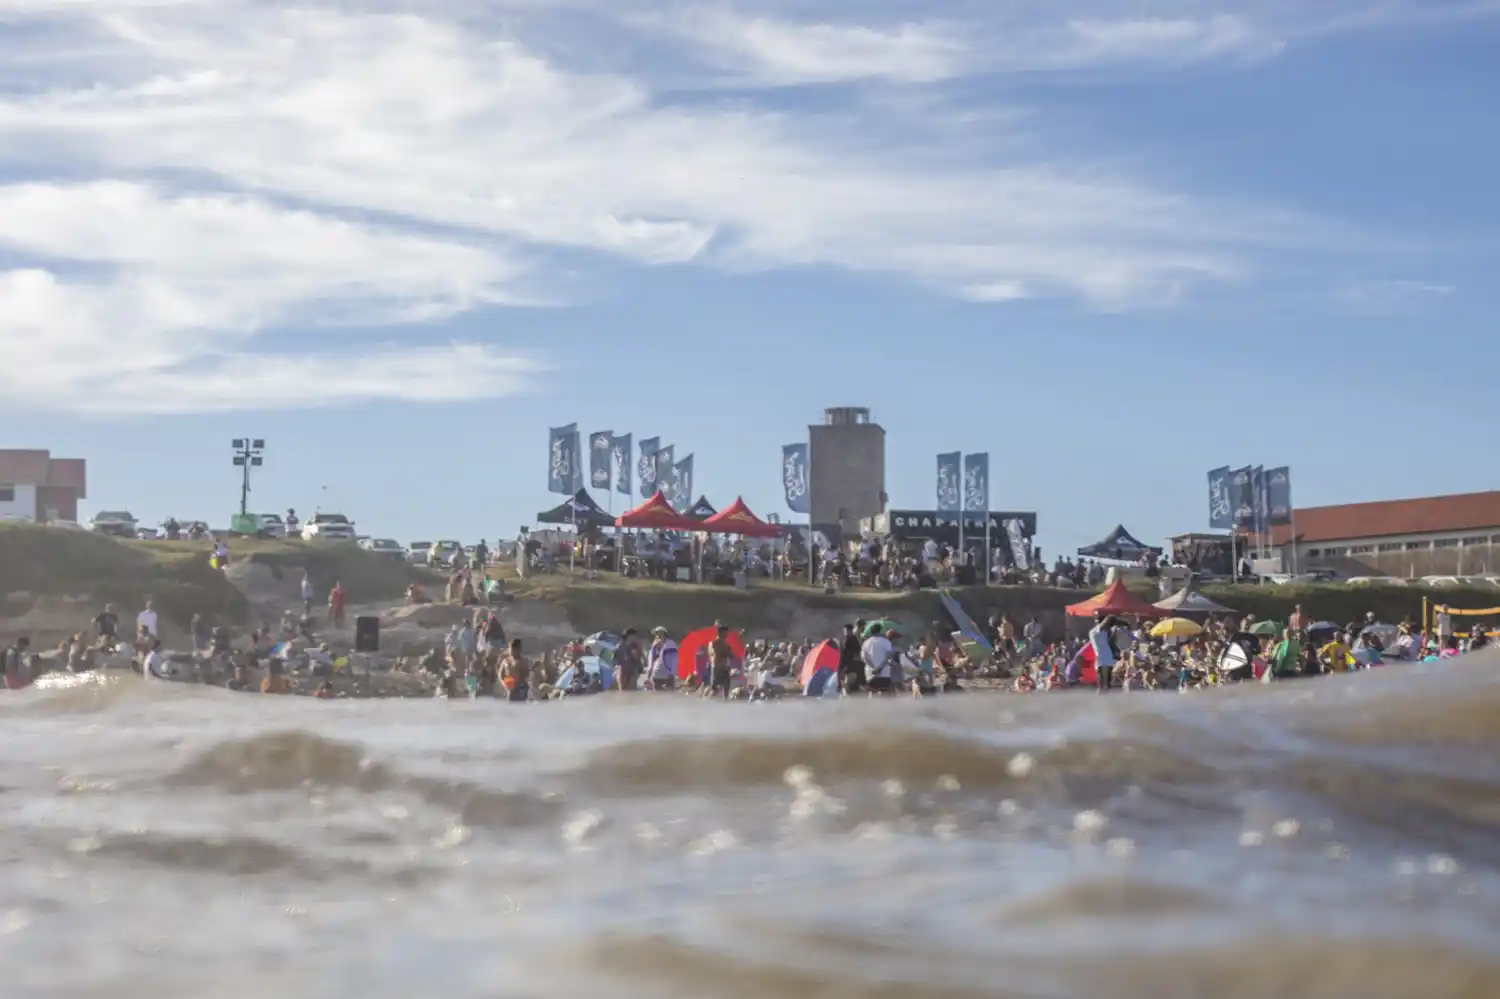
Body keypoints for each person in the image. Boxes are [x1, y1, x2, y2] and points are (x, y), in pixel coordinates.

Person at [1089, 613, 1121, 692]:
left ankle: (1106, 698)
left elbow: (1110, 644)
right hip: (1101, 661)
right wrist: (1111, 618)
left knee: (1107, 685)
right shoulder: (1094, 632)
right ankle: (1100, 698)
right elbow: (1105, 623)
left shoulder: (1105, 633)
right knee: (1102, 685)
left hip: (1108, 660)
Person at [861, 622, 895, 695]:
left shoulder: (866, 642)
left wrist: (873, 668)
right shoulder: (887, 642)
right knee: (885, 694)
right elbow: (888, 657)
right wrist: (880, 668)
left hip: (870, 674)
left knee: (872, 693)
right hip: (884, 674)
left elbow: (864, 658)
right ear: (880, 630)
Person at [704, 622, 735, 699]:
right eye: (725, 632)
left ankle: (710, 701)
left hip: (720, 668)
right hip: (718, 669)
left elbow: (730, 656)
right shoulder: (717, 644)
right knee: (717, 689)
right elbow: (720, 655)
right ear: (720, 633)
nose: (727, 634)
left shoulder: (717, 643)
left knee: (722, 689)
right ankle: (707, 701)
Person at [838, 622, 865, 694]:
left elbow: (857, 651)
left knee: (847, 681)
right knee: (844, 682)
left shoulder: (851, 638)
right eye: (845, 631)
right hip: (844, 663)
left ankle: (846, 693)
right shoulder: (845, 638)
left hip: (849, 663)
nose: (846, 633)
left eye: (847, 631)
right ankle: (844, 693)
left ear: (850, 631)